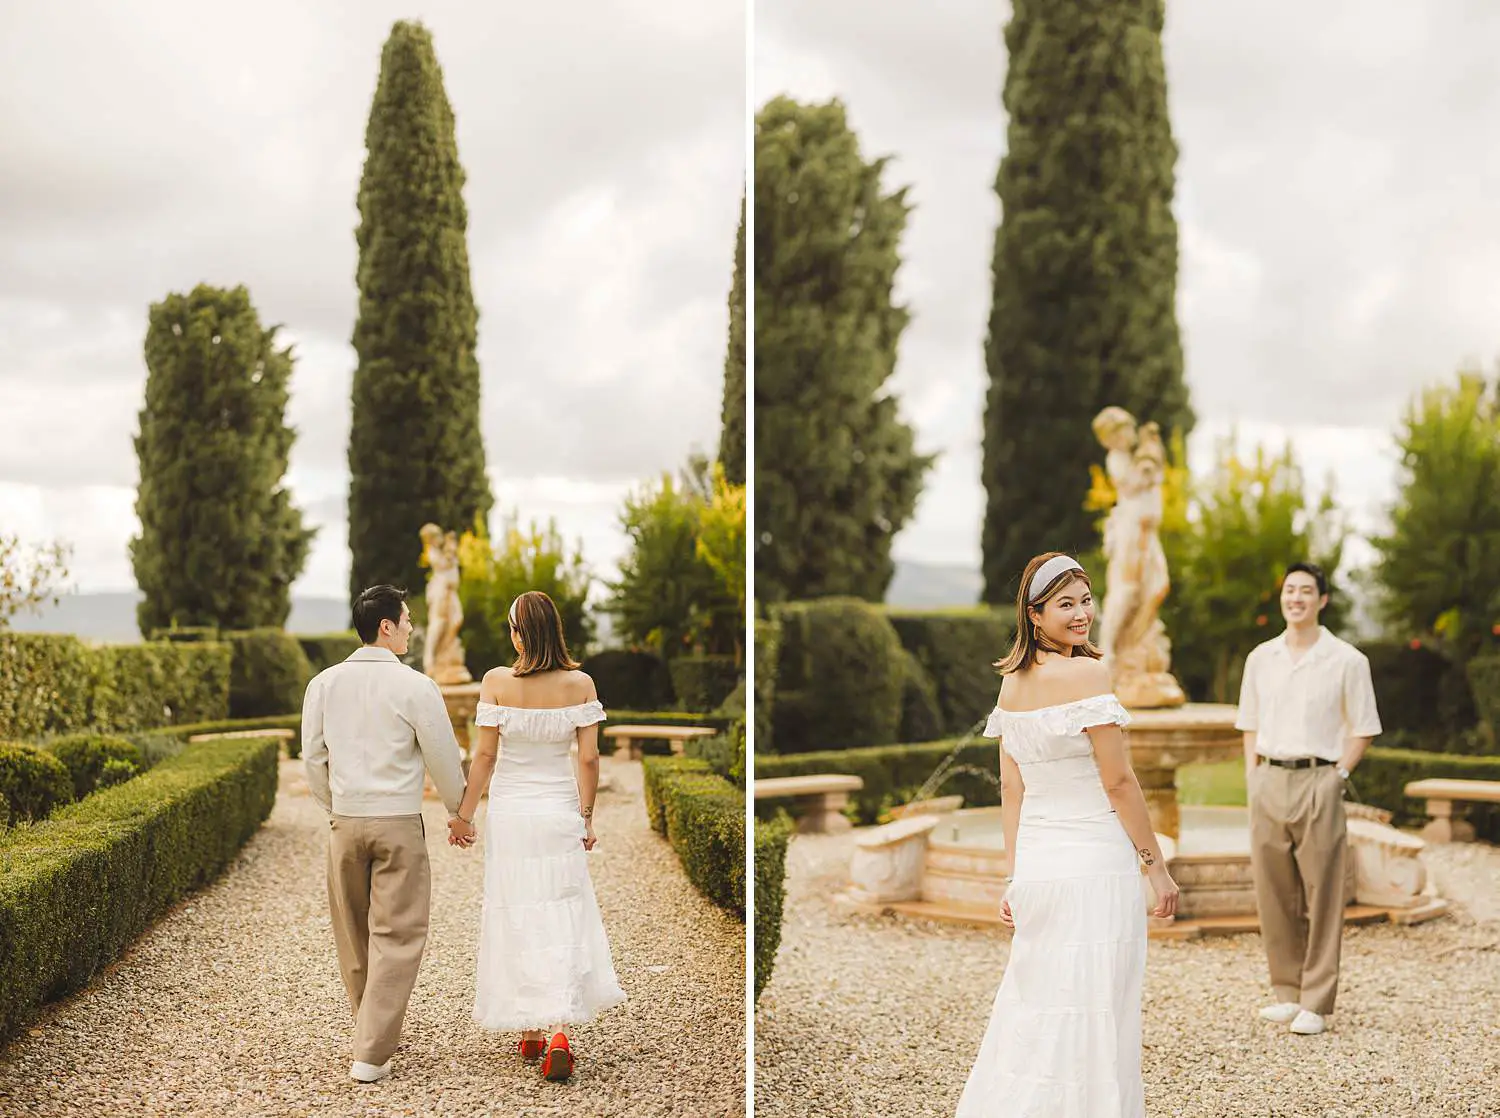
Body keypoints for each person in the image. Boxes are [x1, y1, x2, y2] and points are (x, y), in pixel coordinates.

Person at [956, 552, 1178, 1118]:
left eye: (1085, 600)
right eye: (1066, 604)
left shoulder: (1010, 684)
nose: (1082, 614)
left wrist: (1015, 875)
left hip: (1041, 867)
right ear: (1035, 615)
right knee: (1099, 1009)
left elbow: (1011, 790)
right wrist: (1155, 866)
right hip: (1095, 867)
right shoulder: (1087, 674)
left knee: (1038, 1007)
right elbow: (1120, 782)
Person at [301, 584, 477, 1084]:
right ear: (386, 626)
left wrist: (335, 807)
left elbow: (312, 758)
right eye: (407, 619)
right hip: (399, 822)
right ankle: (372, 1052)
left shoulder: (323, 684)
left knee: (354, 934)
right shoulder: (416, 687)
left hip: (344, 822)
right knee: (398, 934)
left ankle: (369, 1029)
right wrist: (458, 812)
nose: (412, 627)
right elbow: (444, 756)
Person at [452, 589, 626, 1081]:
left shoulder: (496, 682)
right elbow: (589, 759)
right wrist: (586, 817)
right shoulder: (582, 684)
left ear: (519, 632)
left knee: (518, 908)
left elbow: (484, 758)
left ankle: (528, 1028)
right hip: (557, 811)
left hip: (511, 814)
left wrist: (464, 816)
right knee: (561, 911)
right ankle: (556, 1032)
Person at [1236, 561, 1381, 1036]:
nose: (1295, 598)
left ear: (1322, 600)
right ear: (1282, 598)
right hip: (1267, 779)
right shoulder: (1261, 657)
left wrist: (1337, 774)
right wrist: (1252, 778)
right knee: (1273, 891)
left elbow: (1363, 728)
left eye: (1305, 591)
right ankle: (1287, 992)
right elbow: (1249, 723)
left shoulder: (1347, 660)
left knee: (1323, 892)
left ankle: (1317, 999)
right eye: (1289, 590)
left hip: (1319, 778)